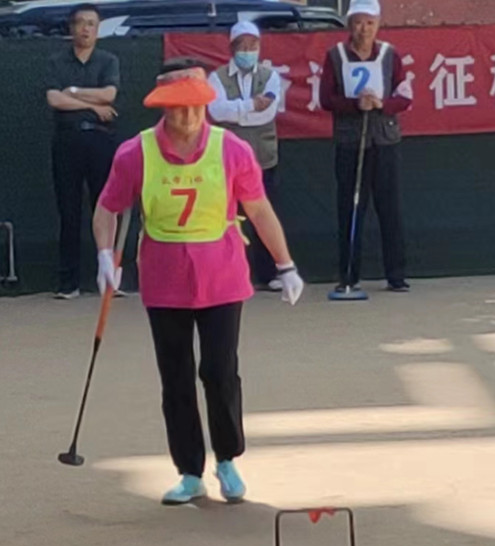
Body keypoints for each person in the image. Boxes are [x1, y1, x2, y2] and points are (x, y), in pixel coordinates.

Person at [92, 57, 304, 505]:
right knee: (176, 377)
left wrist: (285, 264)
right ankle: (189, 471)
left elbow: (258, 209)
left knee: (220, 371)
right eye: (177, 107)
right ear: (163, 107)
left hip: (222, 275)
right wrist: (105, 255)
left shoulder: (232, 150)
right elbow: (108, 207)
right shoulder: (135, 153)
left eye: (195, 106)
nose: (188, 116)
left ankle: (227, 459)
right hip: (164, 277)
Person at [319, 0, 412, 293]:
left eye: (370, 23)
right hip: (350, 141)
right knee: (350, 208)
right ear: (349, 25)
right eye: (358, 22)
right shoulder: (335, 56)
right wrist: (354, 105)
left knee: (390, 208)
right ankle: (349, 275)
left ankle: (396, 275)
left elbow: (405, 95)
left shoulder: (390, 55)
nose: (364, 29)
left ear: (378, 25)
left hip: (384, 140)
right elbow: (326, 98)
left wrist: (382, 104)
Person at [45, 3, 120, 299]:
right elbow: (54, 99)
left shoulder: (108, 60)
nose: (86, 28)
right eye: (81, 23)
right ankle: (69, 283)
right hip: (67, 141)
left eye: (91, 23)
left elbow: (109, 94)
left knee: (106, 207)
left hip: (101, 140)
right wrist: (93, 105)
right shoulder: (56, 61)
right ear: (71, 27)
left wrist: (73, 91)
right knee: (69, 211)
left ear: (98, 29)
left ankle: (111, 278)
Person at [207, 21, 283, 293]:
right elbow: (216, 111)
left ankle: (269, 273)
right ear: (232, 48)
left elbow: (267, 113)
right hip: (226, 160)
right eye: (243, 45)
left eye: (253, 45)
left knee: (263, 215)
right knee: (227, 217)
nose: (248, 50)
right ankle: (227, 274)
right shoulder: (216, 77)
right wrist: (250, 105)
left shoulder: (271, 76)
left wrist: (236, 111)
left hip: (263, 157)